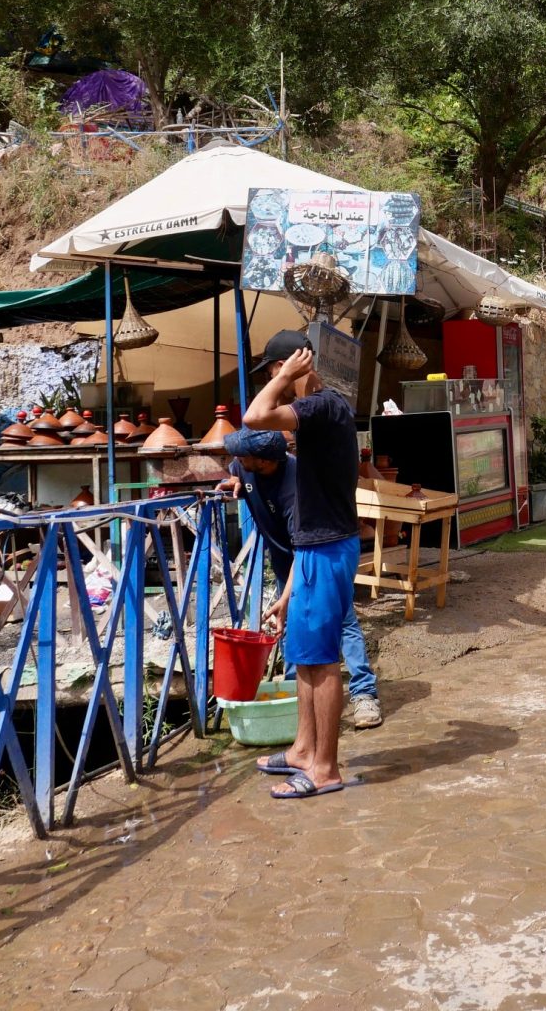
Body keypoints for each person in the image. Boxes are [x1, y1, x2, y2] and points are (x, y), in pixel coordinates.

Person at [241, 333, 363, 799]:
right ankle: (303, 749)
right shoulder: (319, 412)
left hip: (329, 547)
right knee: (306, 657)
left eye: (273, 371)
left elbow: (254, 418)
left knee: (323, 661)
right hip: (316, 547)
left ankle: (325, 769)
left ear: (290, 364)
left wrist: (289, 374)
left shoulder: (324, 405)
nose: (274, 381)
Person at [221, 426, 383, 735]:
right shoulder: (246, 465)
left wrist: (286, 598)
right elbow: (236, 468)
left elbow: (304, 549)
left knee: (343, 623)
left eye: (242, 456)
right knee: (293, 625)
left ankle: (364, 693)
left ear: (265, 461)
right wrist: (235, 480)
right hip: (287, 561)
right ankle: (297, 700)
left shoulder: (297, 489)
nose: (236, 458)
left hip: (319, 558)